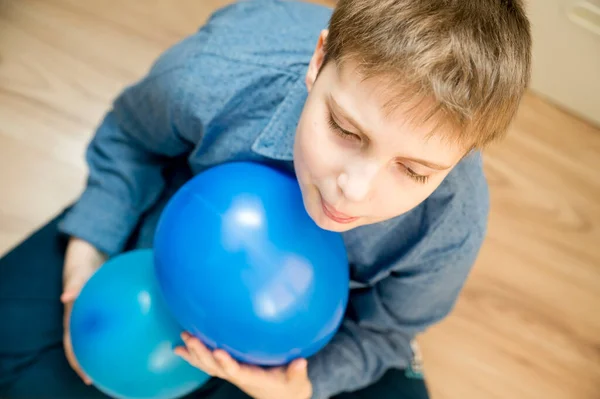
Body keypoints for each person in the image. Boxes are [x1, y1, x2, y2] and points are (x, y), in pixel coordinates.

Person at [0, 0, 532, 398]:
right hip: (184, 230)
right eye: (346, 130)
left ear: (462, 155)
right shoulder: (212, 73)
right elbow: (131, 138)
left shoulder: (453, 221)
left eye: (413, 170)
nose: (355, 189)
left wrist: (304, 386)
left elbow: (387, 333)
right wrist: (89, 249)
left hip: (309, 328)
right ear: (318, 60)